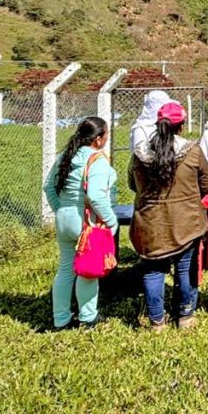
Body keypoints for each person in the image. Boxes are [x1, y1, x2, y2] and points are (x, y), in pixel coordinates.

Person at [129, 101, 208, 331]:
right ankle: (185, 316)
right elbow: (206, 183)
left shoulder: (140, 154)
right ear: (181, 126)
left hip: (150, 223)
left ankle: (157, 321)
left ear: (158, 123)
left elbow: (132, 184)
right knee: (185, 269)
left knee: (153, 271)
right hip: (187, 223)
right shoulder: (192, 151)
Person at [43, 117, 118, 330]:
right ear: (98, 139)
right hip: (86, 223)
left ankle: (61, 319)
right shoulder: (97, 160)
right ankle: (87, 317)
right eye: (106, 134)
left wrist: (61, 209)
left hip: (64, 220)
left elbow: (48, 187)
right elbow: (95, 195)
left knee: (65, 269)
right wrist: (111, 222)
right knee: (88, 271)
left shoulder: (65, 156)